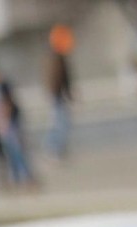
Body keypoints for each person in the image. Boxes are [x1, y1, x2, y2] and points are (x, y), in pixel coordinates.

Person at [46, 25, 75, 161]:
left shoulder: (55, 57)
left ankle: (56, 149)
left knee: (60, 123)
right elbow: (59, 79)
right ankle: (53, 149)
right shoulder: (56, 58)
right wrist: (66, 93)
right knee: (61, 123)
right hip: (57, 96)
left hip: (57, 95)